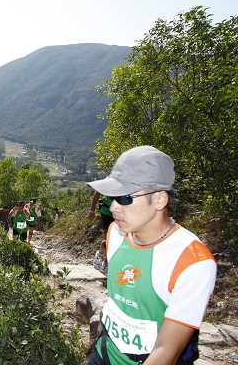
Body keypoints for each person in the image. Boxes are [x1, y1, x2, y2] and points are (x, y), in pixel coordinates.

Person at [86, 145, 216, 365]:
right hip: (105, 354)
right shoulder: (115, 233)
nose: (114, 207)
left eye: (125, 198)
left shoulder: (192, 261)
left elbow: (167, 349)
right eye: (112, 197)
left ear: (159, 200)